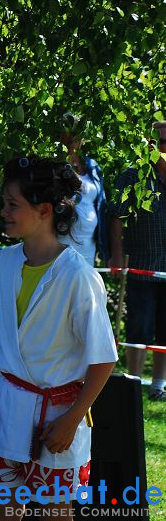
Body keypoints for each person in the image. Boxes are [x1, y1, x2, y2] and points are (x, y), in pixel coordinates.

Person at [0, 156, 117, 520]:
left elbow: (104, 358)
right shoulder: (2, 265)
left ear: (44, 210)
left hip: (58, 419)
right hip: (7, 413)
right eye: (4, 202)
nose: (3, 211)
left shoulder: (78, 276)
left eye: (13, 204)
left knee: (56, 513)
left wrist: (72, 418)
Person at [109, 122, 166, 401]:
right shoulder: (133, 176)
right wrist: (117, 256)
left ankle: (158, 385)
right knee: (139, 327)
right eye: (160, 142)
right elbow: (117, 217)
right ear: (150, 145)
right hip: (143, 265)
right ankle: (132, 381)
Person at [57, 113, 108, 266]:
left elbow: (101, 204)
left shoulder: (92, 166)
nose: (73, 136)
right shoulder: (54, 165)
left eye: (77, 132)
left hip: (88, 246)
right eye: (69, 130)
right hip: (60, 244)